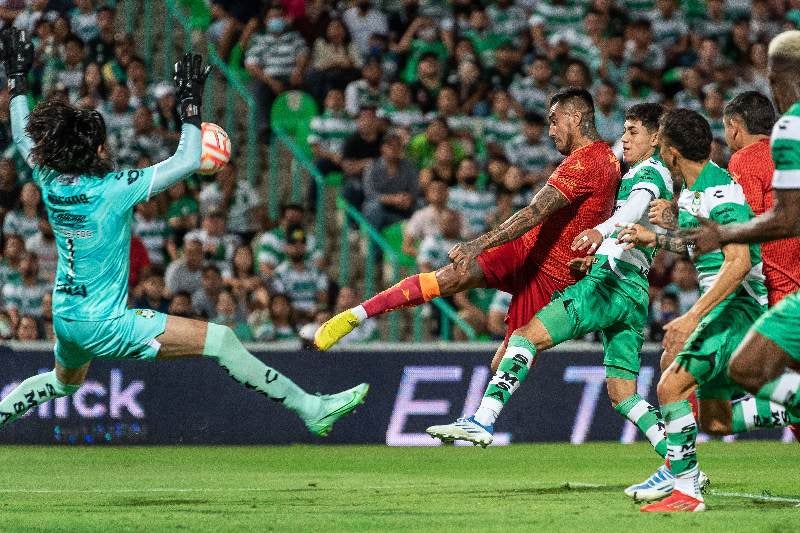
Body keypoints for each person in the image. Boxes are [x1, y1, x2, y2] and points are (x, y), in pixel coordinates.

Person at [0, 32, 367, 439]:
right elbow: (189, 158)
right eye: (101, 145)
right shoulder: (115, 189)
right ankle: (312, 408)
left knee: (63, 382)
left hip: (67, 315)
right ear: (92, 151)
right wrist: (190, 102)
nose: (106, 149)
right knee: (223, 340)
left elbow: (21, 135)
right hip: (107, 322)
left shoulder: (49, 179)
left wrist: (16, 77)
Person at [425, 104, 675, 456]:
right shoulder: (640, 173)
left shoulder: (650, 173)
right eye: (624, 130)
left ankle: (482, 419)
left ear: (656, 138)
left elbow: (636, 206)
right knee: (624, 395)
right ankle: (682, 464)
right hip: (633, 291)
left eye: (633, 132)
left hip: (610, 285)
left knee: (525, 337)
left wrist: (599, 232)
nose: (624, 138)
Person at [315, 88, 621, 374]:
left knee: (503, 363)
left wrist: (478, 243)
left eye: (554, 122)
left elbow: (533, 212)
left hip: (551, 277)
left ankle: (480, 422)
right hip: (528, 249)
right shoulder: (604, 159)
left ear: (575, 118)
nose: (550, 131)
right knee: (450, 278)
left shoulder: (586, 163)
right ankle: (355, 315)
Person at [616, 109, 798, 513]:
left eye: (661, 142)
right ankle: (790, 404)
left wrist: (692, 315)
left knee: (670, 386)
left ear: (672, 152)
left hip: (737, 308)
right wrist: (659, 235)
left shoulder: (720, 192)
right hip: (727, 307)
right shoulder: (695, 191)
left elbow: (739, 261)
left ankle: (685, 487)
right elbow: (702, 246)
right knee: (716, 420)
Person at [685, 30, 800, 466]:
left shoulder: (746, 160)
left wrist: (719, 235)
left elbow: (768, 220)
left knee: (750, 372)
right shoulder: (786, 143)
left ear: (734, 129)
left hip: (780, 287)